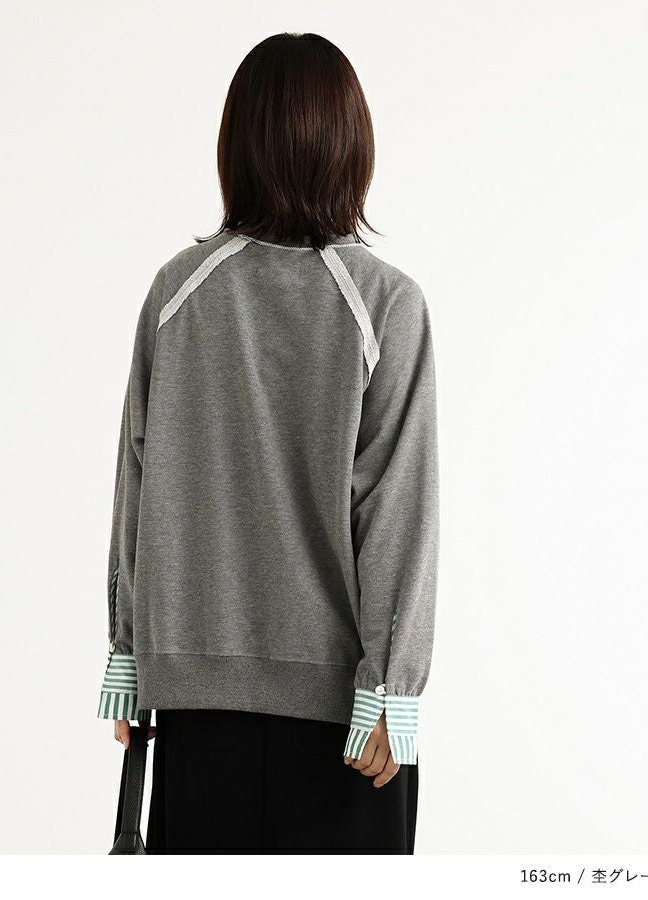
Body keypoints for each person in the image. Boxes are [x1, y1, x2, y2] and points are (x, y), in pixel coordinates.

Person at [97, 32, 440, 853]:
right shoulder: (386, 304)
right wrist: (390, 690)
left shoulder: (177, 290)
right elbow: (398, 513)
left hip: (195, 711)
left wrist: (131, 657)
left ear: (237, 145)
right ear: (351, 145)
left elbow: (136, 485)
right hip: (347, 721)